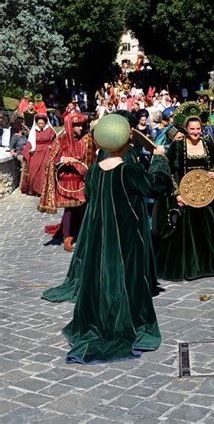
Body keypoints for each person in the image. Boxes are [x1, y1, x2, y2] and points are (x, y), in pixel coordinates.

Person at [41, 114, 171, 364]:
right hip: (127, 237)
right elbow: (155, 187)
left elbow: (91, 198)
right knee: (130, 278)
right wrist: (159, 161)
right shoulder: (129, 170)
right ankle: (128, 322)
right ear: (125, 142)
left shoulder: (93, 173)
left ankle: (101, 317)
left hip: (100, 237)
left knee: (105, 277)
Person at [152, 102, 214, 281]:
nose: (195, 132)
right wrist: (177, 193)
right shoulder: (178, 147)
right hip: (186, 197)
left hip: (206, 196)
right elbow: (169, 171)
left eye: (198, 129)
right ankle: (190, 268)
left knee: (207, 230)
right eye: (192, 129)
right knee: (187, 233)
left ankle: (208, 267)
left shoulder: (208, 144)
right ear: (186, 128)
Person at [38, 113, 95, 251]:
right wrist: (64, 159)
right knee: (69, 209)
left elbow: (92, 157)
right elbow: (52, 161)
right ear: (70, 126)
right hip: (67, 181)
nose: (80, 128)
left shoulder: (87, 139)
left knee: (83, 207)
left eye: (81, 125)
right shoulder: (61, 141)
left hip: (82, 179)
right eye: (77, 125)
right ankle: (67, 238)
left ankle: (83, 234)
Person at [20, 113, 56, 196]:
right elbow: (30, 142)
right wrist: (27, 151)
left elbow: (55, 141)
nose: (40, 125)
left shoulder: (50, 130)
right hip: (36, 153)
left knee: (44, 171)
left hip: (47, 152)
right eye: (39, 123)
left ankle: (43, 190)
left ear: (45, 123)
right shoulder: (34, 131)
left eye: (42, 123)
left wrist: (51, 147)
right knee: (33, 171)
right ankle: (34, 189)